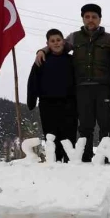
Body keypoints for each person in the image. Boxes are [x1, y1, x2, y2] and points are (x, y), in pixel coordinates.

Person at [35, 3, 110, 162]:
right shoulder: (74, 37)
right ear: (83, 18)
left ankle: (106, 157)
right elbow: (58, 46)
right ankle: (85, 157)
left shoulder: (108, 39)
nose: (90, 20)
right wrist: (43, 50)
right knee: (85, 126)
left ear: (100, 19)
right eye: (87, 17)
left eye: (94, 17)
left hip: (103, 88)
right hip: (82, 88)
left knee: (105, 124)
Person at [27, 29, 77, 163]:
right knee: (51, 134)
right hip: (47, 104)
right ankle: (54, 161)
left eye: (58, 40)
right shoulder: (41, 60)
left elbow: (78, 82)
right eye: (52, 41)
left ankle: (69, 160)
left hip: (69, 104)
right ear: (47, 44)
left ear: (63, 41)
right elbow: (33, 81)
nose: (56, 43)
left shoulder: (72, 60)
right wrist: (31, 101)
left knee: (68, 134)